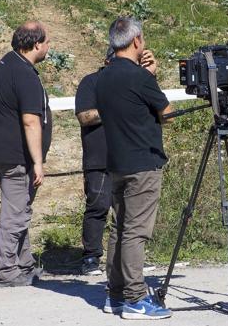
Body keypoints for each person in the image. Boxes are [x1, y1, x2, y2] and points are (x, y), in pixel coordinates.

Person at [96, 16, 173, 320]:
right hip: (143, 162)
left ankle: (115, 294)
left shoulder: (102, 77)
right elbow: (166, 112)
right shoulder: (140, 78)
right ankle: (135, 298)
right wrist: (151, 76)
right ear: (137, 41)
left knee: (119, 228)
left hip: (116, 162)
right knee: (136, 233)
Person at [0, 21, 52, 287]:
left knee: (20, 207)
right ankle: (6, 271)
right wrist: (37, 161)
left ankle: (24, 264)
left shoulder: (7, 65)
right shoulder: (23, 74)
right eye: (46, 42)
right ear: (35, 45)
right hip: (14, 156)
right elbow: (30, 121)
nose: (48, 47)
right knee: (15, 211)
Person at [74, 48, 115, 276]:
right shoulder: (90, 82)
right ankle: (91, 257)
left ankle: (126, 258)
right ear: (107, 60)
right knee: (98, 206)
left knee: (128, 210)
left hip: (127, 157)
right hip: (99, 158)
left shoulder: (131, 82)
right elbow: (84, 116)